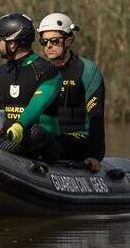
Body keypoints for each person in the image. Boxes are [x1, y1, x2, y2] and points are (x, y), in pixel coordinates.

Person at [0, 13, 62, 161]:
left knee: (34, 131)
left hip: (43, 142)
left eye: (0, 40)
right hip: (11, 138)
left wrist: (19, 126)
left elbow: (37, 106)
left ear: (12, 43)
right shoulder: (1, 74)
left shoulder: (47, 71)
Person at [37, 13, 105, 171]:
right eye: (44, 41)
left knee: (43, 139)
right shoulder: (37, 70)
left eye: (54, 41)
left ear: (68, 40)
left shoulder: (86, 70)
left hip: (78, 139)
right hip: (44, 136)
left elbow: (96, 115)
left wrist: (94, 154)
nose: (48, 46)